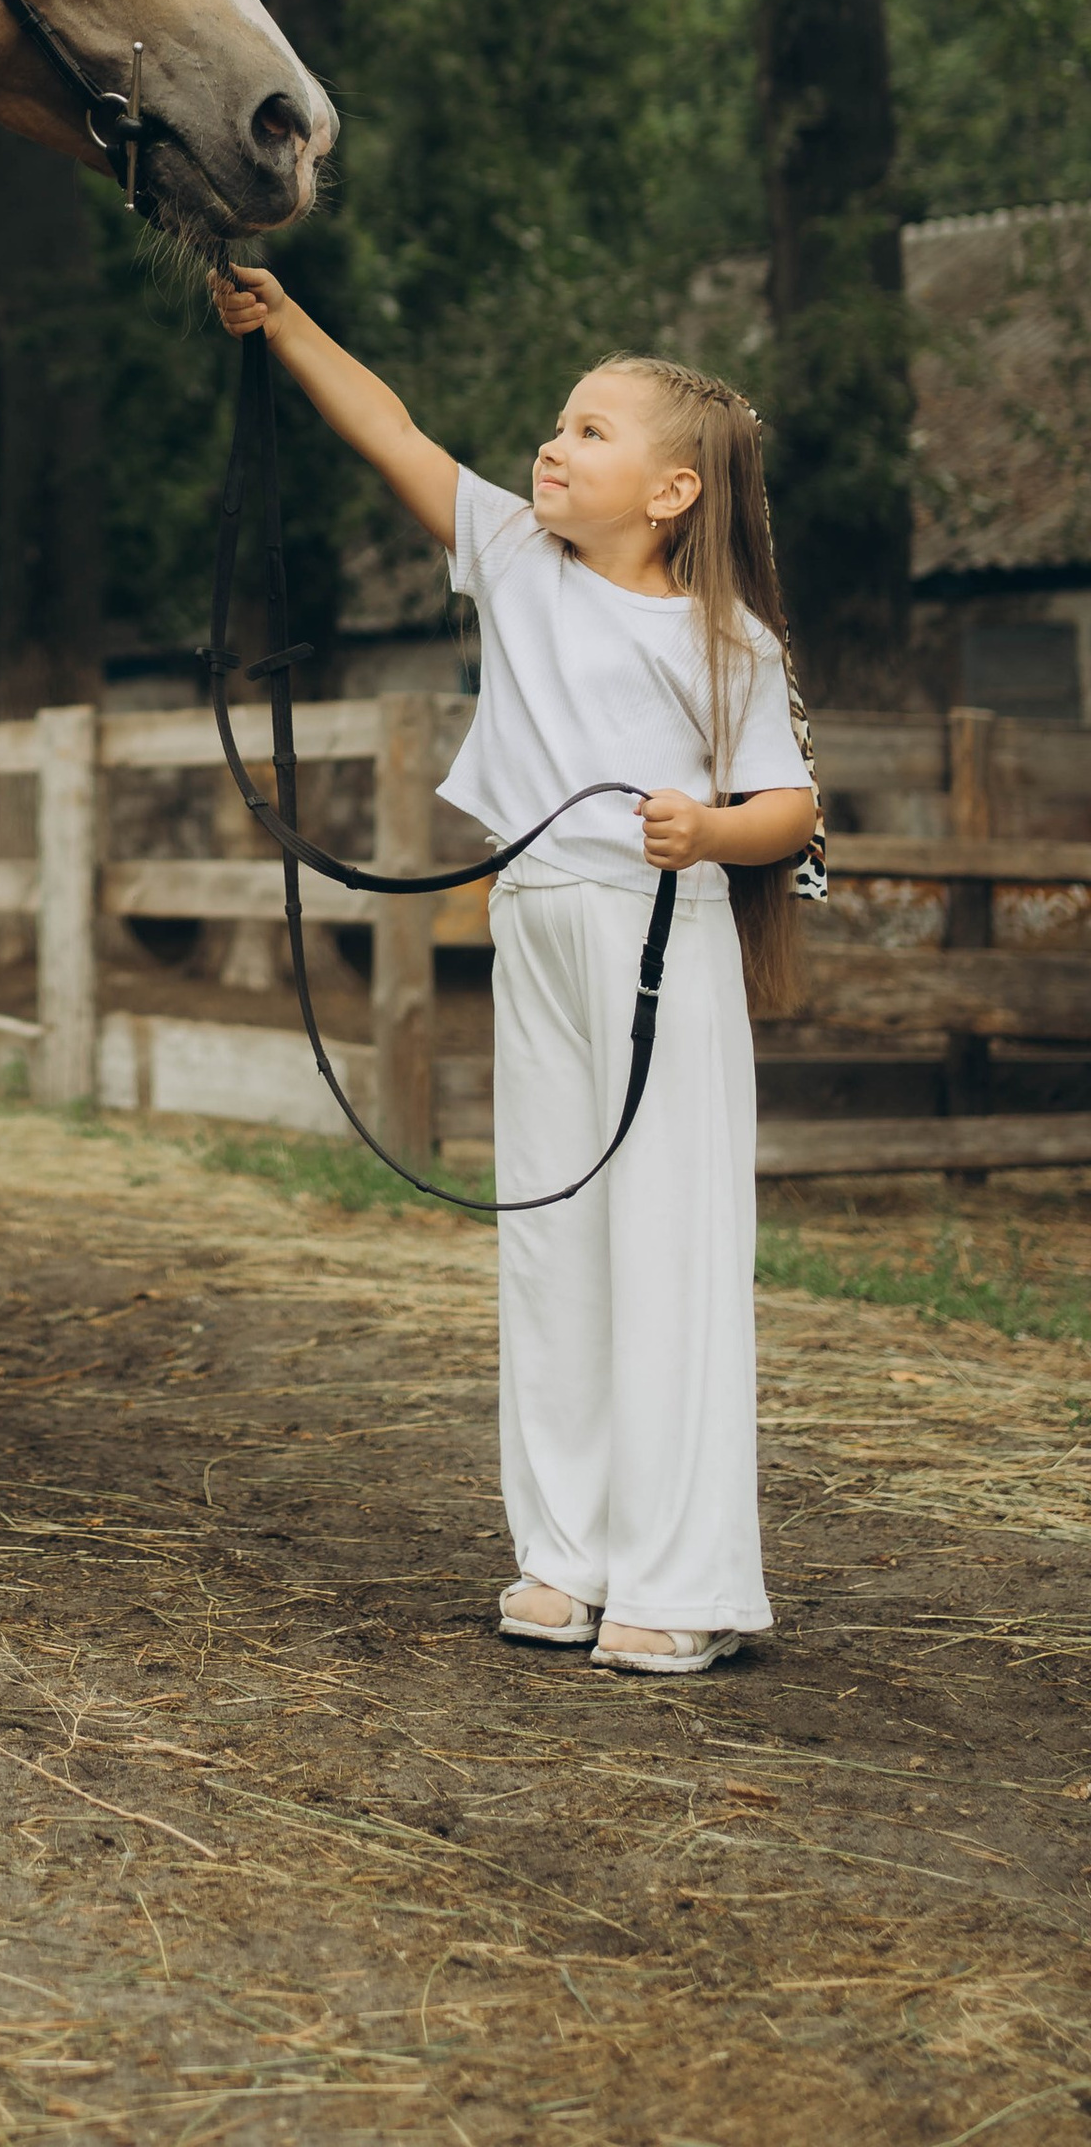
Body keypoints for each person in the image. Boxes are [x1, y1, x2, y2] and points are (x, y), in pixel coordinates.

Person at [211, 270, 820, 1675]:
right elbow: (394, 433)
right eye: (559, 423)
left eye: (593, 432)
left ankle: (682, 1574)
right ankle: (567, 1555)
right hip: (540, 927)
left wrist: (711, 830)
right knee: (552, 1242)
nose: (555, 445)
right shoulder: (512, 556)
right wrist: (285, 319)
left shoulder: (726, 640)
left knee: (666, 1248)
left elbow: (792, 809)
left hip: (658, 940)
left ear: (672, 494)